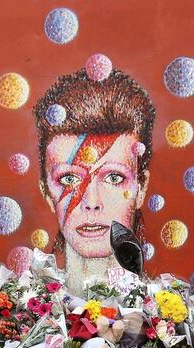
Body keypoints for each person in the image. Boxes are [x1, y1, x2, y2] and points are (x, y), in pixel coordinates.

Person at [33, 69, 153, 291]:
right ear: (47, 192)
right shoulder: (27, 309)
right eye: (69, 178)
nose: (91, 201)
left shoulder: (166, 312)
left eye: (114, 177)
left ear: (141, 188)